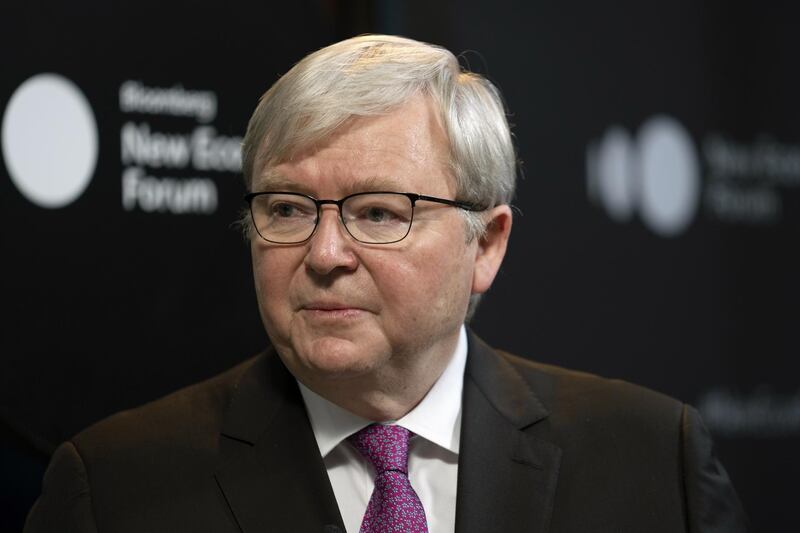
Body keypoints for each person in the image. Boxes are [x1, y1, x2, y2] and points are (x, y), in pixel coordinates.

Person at [24, 34, 747, 533]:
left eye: (377, 212)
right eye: (287, 209)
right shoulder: (115, 487)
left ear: (486, 244)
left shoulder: (652, 459)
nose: (326, 251)